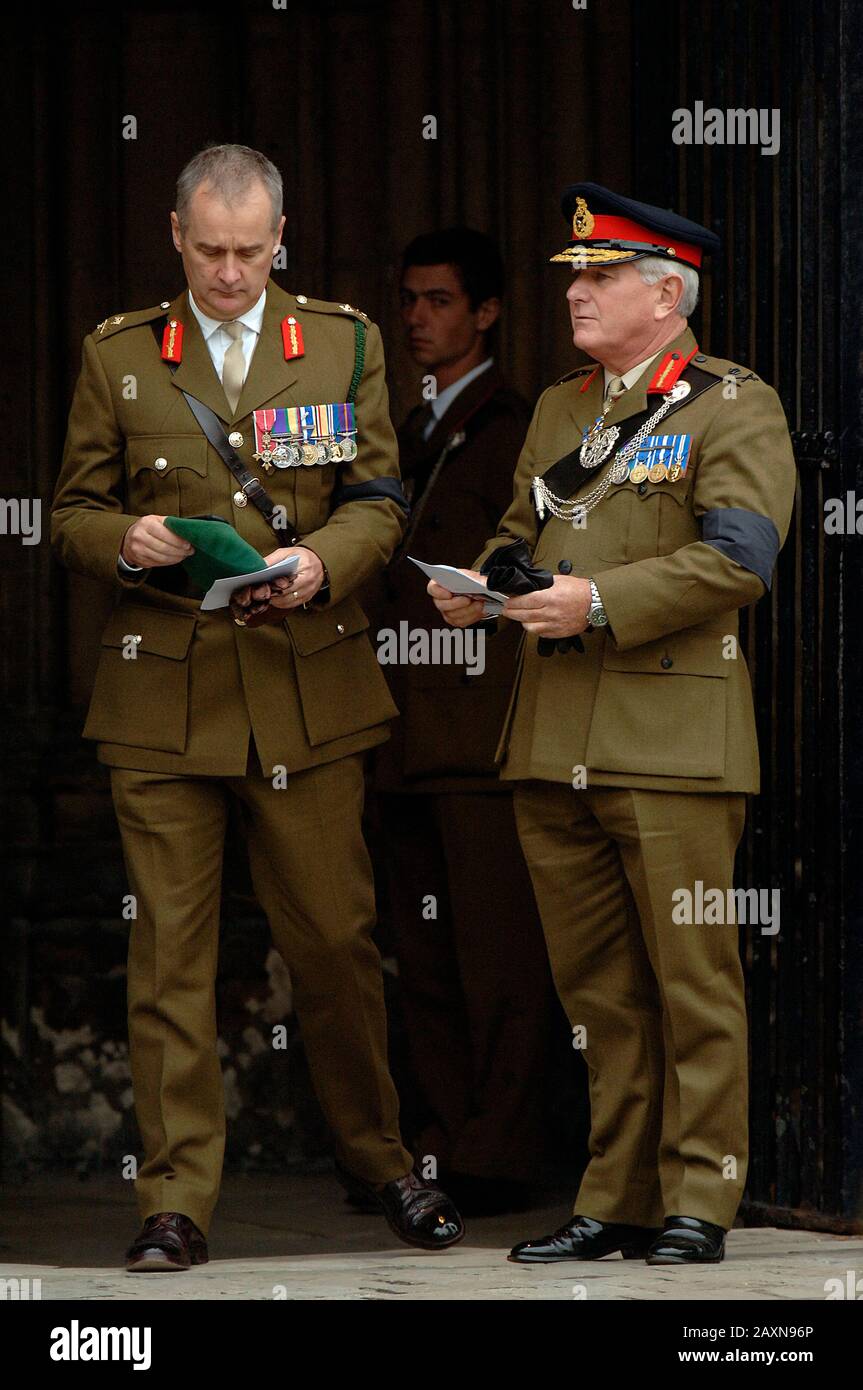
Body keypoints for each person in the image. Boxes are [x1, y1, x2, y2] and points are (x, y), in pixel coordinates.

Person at [51, 142, 463, 1271]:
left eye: (250, 251)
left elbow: (381, 497)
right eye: (209, 250)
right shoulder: (120, 355)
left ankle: (383, 1162)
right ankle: (174, 1200)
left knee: (334, 940)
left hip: (305, 685)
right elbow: (70, 506)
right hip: (163, 693)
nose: (230, 272)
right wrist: (119, 537)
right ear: (175, 239)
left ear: (281, 241)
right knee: (168, 957)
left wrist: (323, 564)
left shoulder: (340, 340)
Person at [428, 183, 796, 1265]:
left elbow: (738, 560)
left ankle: (699, 1199)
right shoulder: (558, 406)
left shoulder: (733, 404)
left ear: (665, 294)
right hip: (552, 739)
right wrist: (481, 590)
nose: (576, 293)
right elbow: (515, 532)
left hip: (672, 743)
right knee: (596, 993)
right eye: (574, 277)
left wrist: (597, 602)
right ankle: (614, 1197)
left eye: (598, 276)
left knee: (690, 983)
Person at [372, 229, 555, 1216]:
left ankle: (500, 1148)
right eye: (406, 300)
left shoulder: (517, 425)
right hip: (399, 728)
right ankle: (438, 1146)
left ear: (484, 312)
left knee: (498, 957)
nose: (415, 318)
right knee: (425, 959)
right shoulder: (406, 424)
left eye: (437, 300)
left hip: (478, 730)